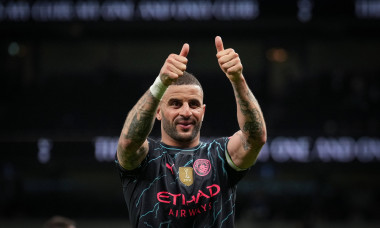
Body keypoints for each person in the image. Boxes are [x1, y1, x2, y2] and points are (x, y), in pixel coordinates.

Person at [115, 36, 267, 227]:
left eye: (193, 104)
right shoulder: (147, 157)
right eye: (175, 104)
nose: (186, 112)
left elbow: (255, 138)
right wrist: (159, 84)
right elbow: (128, 142)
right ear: (158, 112)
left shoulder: (219, 154)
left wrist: (238, 79)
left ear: (202, 112)